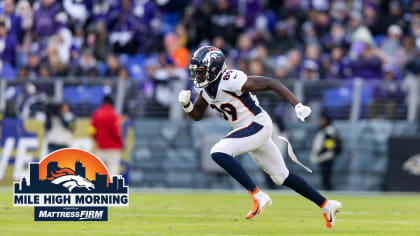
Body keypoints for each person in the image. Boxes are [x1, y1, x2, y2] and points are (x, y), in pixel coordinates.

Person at [178, 46, 342, 227]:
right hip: (248, 129)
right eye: (196, 72)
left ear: (215, 68)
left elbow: (271, 83)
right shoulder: (207, 90)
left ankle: (258, 195)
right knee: (281, 176)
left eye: (201, 71)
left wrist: (297, 105)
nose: (197, 76)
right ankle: (327, 205)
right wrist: (187, 106)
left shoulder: (230, 80)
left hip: (257, 124)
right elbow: (198, 115)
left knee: (218, 151)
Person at [90, 96, 123, 175]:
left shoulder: (96, 114)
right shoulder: (113, 114)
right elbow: (116, 132)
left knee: (100, 172)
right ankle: (113, 187)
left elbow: (91, 131)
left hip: (101, 147)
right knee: (113, 170)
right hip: (113, 148)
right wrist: (120, 143)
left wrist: (98, 139)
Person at [310, 113, 341, 190]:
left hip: (327, 157)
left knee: (326, 177)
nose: (320, 121)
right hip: (324, 156)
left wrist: (320, 153)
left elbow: (329, 145)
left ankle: (328, 191)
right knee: (324, 177)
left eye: (322, 119)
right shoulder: (324, 130)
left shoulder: (329, 130)